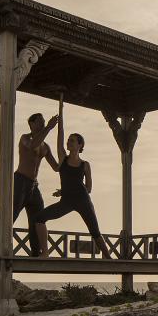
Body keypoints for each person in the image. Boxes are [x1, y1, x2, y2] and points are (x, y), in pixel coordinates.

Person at [35, 101, 112, 259]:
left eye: (72, 140)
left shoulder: (85, 165)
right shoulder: (63, 158)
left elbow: (88, 188)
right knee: (39, 218)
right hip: (67, 201)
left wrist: (66, 189)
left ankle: (109, 258)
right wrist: (61, 111)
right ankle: (45, 252)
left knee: (95, 231)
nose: (68, 142)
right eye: (68, 140)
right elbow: (60, 134)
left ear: (80, 145)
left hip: (83, 200)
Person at [14, 112, 59, 257]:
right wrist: (49, 128)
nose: (43, 124)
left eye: (44, 121)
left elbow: (56, 167)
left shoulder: (45, 146)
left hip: (34, 185)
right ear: (32, 124)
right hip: (20, 181)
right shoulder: (25, 138)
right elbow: (33, 145)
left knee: (38, 218)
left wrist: (69, 157)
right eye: (40, 121)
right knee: (11, 215)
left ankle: (36, 251)